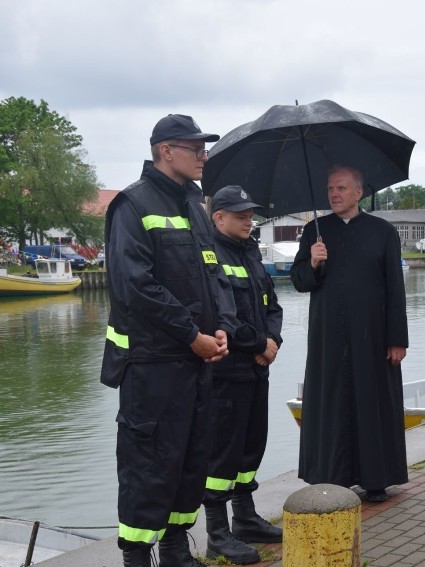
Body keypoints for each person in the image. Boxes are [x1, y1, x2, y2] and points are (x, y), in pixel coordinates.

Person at [100, 114, 237, 567]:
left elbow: (210, 275)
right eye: (195, 147)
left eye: (204, 148)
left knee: (190, 461)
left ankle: (177, 550)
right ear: (165, 151)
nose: (203, 155)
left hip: (195, 364)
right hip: (151, 365)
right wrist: (191, 335)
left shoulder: (195, 207)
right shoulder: (132, 206)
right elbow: (135, 287)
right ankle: (138, 558)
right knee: (149, 467)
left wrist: (219, 328)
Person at [291, 165, 409, 502]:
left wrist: (397, 338)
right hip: (328, 337)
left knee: (372, 401)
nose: (334, 194)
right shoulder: (315, 231)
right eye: (330, 189)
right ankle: (329, 474)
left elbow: (395, 289)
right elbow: (300, 283)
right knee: (330, 402)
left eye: (341, 188)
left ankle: (376, 478)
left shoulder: (382, 232)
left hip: (372, 335)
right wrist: (312, 263)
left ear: (358, 192)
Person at [203, 186, 283, 564]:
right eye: (240, 215)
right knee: (223, 454)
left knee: (252, 447)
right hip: (228, 373)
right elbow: (223, 317)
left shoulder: (251, 254)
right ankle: (217, 533)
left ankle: (246, 519)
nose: (249, 220)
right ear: (218, 217)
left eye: (251, 214)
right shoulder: (210, 257)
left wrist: (274, 340)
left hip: (256, 369)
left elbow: (272, 305)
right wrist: (259, 345)